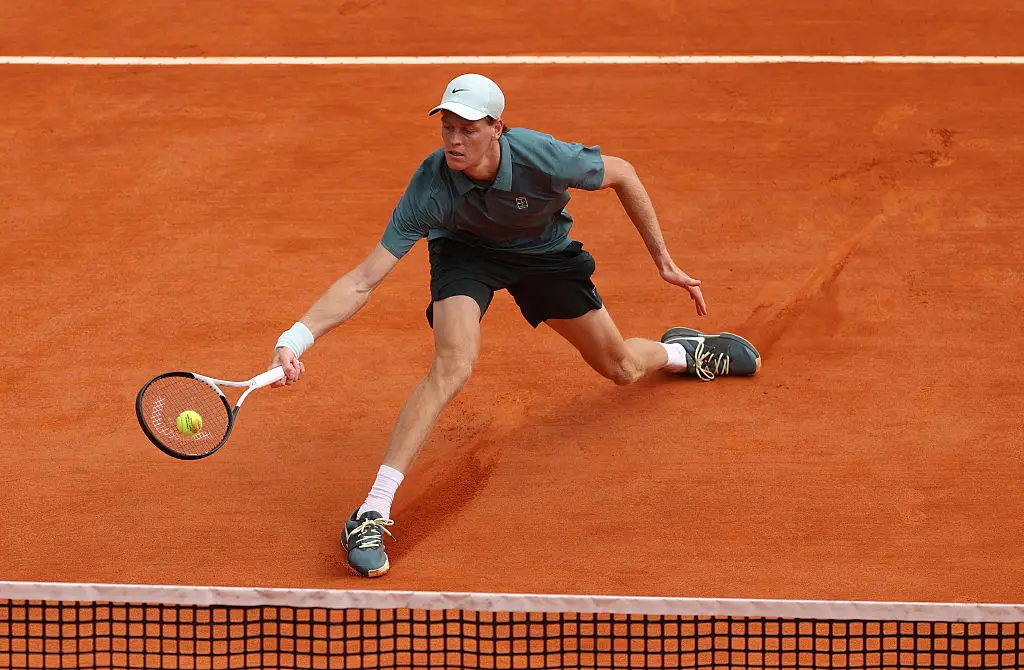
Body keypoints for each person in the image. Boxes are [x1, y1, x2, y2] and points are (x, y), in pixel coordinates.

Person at [268, 73, 761, 578]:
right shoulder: (432, 185)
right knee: (452, 366)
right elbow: (363, 279)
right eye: (447, 128)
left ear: (497, 127)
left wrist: (663, 260)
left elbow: (624, 174)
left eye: (469, 129)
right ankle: (372, 510)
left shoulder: (543, 156)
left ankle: (685, 353)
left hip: (544, 255)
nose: (455, 141)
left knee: (621, 366)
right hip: (466, 255)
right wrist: (296, 337)